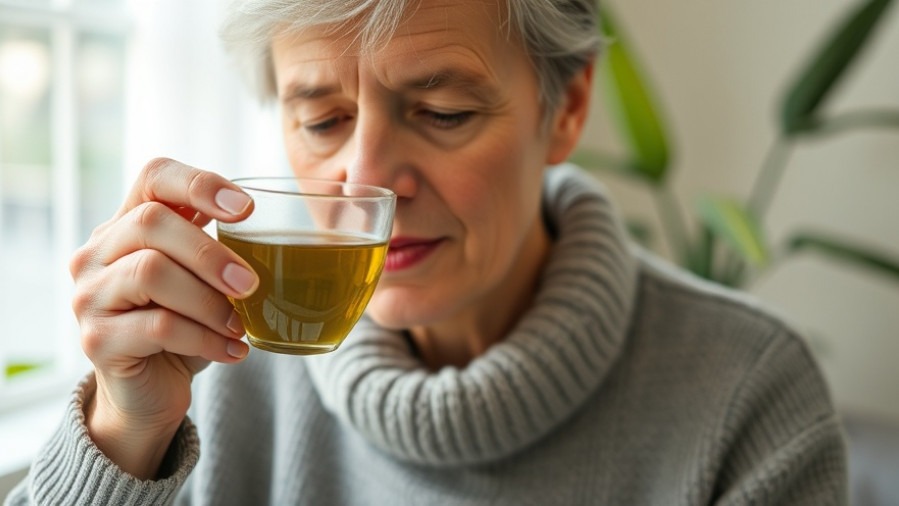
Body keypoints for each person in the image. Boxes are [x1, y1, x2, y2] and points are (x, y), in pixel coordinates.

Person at [6, 0, 848, 504]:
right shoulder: (213, 374)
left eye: (442, 112)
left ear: (567, 110)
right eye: (322, 120)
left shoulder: (747, 397)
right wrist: (124, 431)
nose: (365, 178)